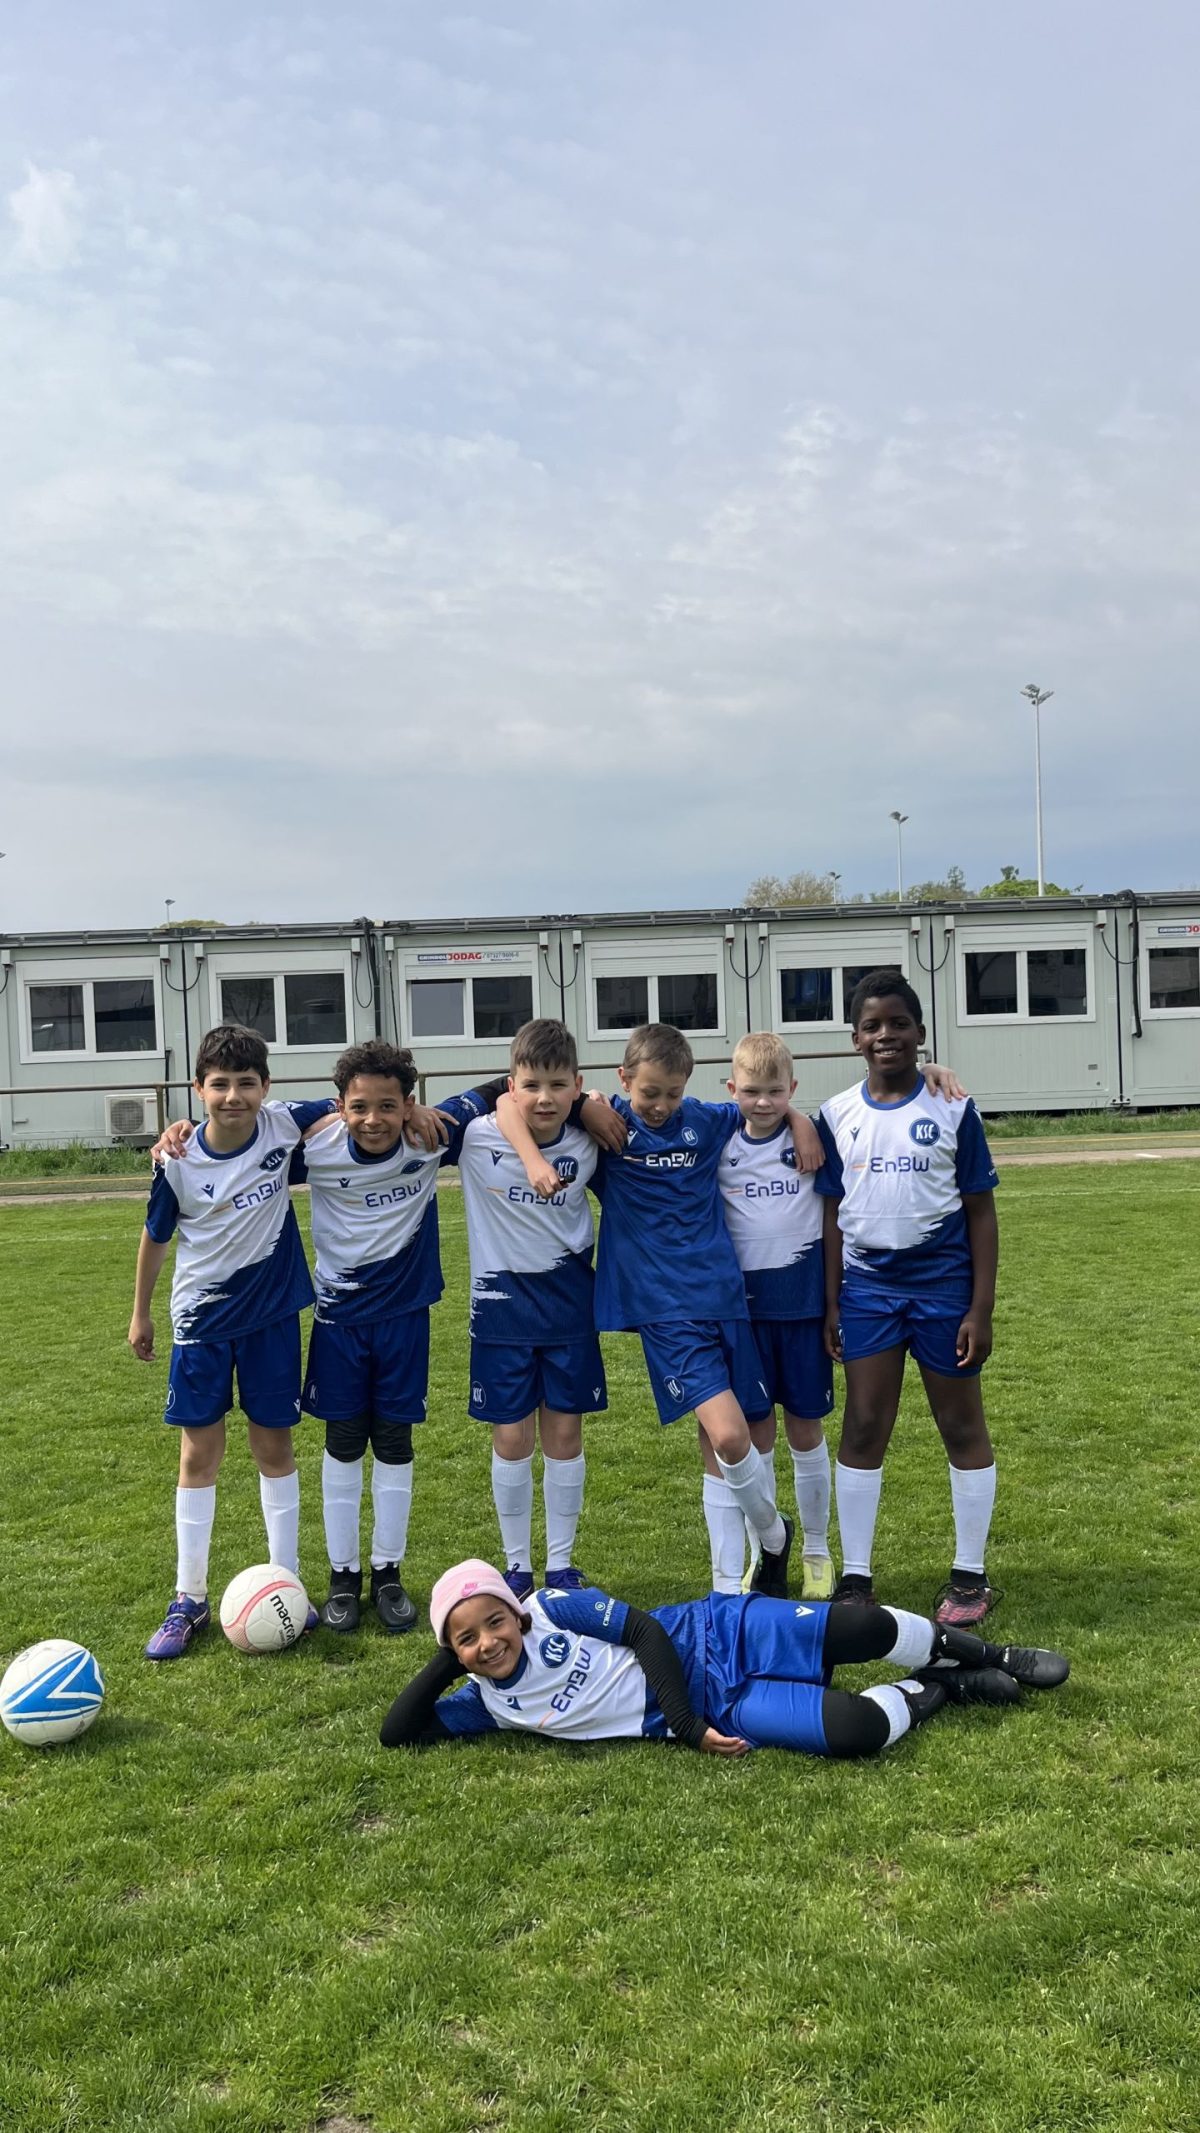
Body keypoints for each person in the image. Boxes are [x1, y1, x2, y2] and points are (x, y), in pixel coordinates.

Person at [498, 1022, 826, 1601]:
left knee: (725, 1443)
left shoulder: (705, 1119)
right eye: (648, 1093)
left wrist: (799, 1122)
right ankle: (773, 1535)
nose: (659, 1106)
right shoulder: (608, 1125)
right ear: (624, 1080)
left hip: (726, 1300)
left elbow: (762, 1108)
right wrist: (579, 1117)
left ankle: (728, 1587)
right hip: (665, 1312)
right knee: (728, 1437)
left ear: (688, 1087)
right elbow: (508, 1100)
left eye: (672, 1094)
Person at [379, 1556, 1068, 1753]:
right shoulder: (491, 1704)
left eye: (494, 1621)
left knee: (860, 1627)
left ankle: (993, 1654)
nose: (488, 1641)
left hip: (719, 1632)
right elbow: (396, 1731)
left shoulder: (557, 1608)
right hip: (723, 1702)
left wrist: (683, 1729)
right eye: (468, 1637)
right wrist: (450, 1655)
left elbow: (647, 1633)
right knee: (856, 1731)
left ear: (515, 1610)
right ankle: (946, 1688)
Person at [128, 1023, 336, 1659]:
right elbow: (155, 1238)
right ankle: (188, 1599)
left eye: (246, 1084)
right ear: (199, 1090)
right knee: (199, 1455)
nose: (233, 1096)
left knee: (274, 1445)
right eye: (219, 1085)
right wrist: (141, 1314)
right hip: (201, 1324)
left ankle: (288, 1583)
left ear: (265, 1087)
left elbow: (351, 1100)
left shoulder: (281, 1125)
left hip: (271, 1320)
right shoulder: (178, 1160)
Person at [293, 1041, 508, 1634]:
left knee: (392, 1441)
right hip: (338, 1320)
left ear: (409, 1105)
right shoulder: (313, 1147)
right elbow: (247, 1123)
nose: (374, 1120)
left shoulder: (432, 1134)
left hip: (405, 1318)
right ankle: (342, 1578)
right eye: (358, 1107)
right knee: (342, 1442)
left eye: (389, 1106)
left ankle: (387, 1573)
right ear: (339, 1107)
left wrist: (590, 1101)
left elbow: (506, 1084)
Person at [817, 971, 1000, 1626]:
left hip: (943, 1286)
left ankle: (971, 1576)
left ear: (920, 1032)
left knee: (959, 1423)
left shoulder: (953, 1107)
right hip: (867, 1287)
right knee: (864, 1424)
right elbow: (830, 1212)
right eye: (872, 1025)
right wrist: (832, 1301)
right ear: (855, 1038)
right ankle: (856, 1576)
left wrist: (980, 1307)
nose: (886, 1035)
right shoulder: (837, 1113)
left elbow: (981, 1211)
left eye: (899, 1022)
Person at [457, 1019, 616, 1598]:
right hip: (500, 1316)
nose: (543, 1098)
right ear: (512, 1085)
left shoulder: (590, 1140)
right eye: (531, 1085)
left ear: (576, 1085)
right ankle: (517, 1565)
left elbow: (648, 1105)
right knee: (511, 1440)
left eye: (557, 1085)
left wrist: (595, 1105)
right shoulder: (476, 1137)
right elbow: (486, 1106)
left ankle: (563, 1565)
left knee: (565, 1439)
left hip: (570, 1313)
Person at [718, 1031, 837, 1601]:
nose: (762, 1102)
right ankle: (767, 1551)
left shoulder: (813, 1140)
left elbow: (834, 1214)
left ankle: (816, 1548)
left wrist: (803, 1122)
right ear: (730, 1090)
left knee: (806, 1432)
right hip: (746, 1318)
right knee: (755, 1438)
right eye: (750, 1091)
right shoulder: (719, 1140)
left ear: (792, 1089)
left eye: (774, 1092)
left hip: (804, 1311)